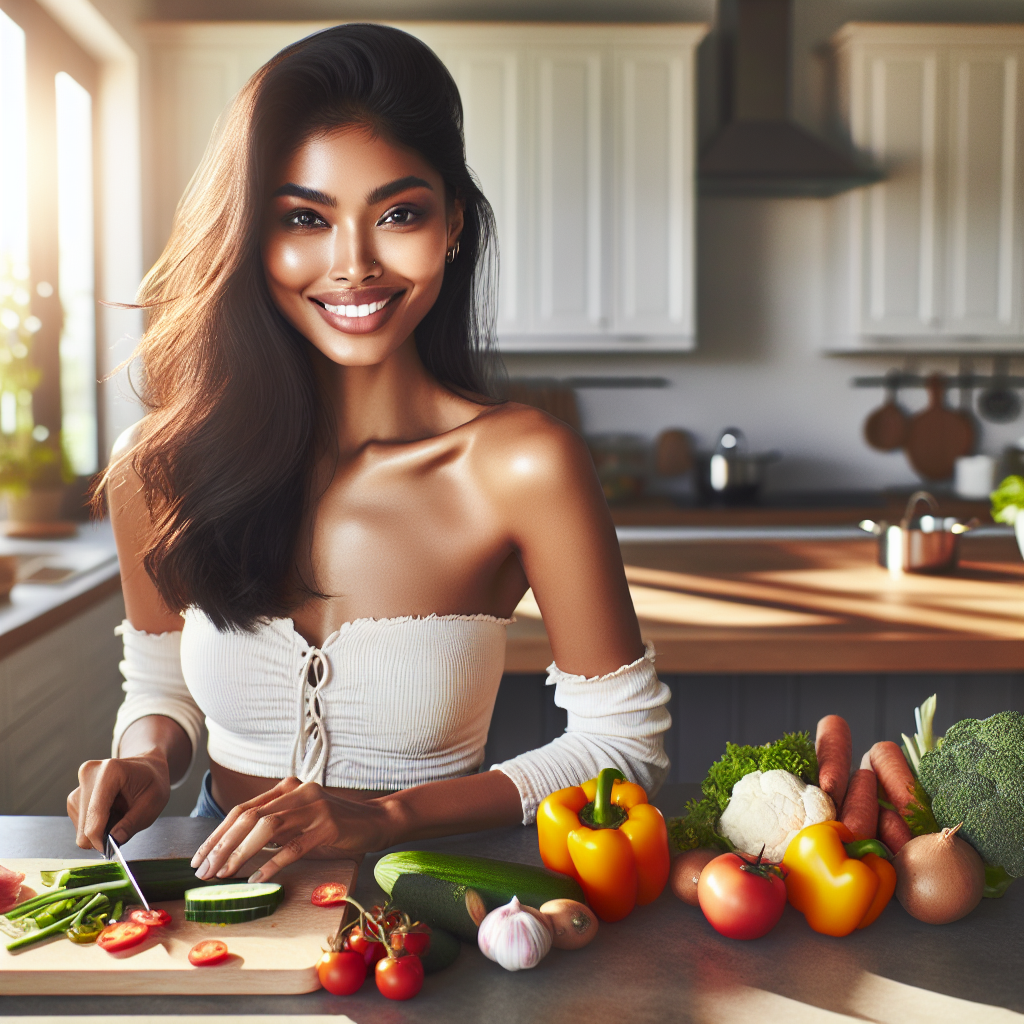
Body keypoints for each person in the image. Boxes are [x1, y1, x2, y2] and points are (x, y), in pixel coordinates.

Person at [68, 23, 671, 884]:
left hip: (439, 886)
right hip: (220, 881)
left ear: (453, 224)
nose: (352, 265)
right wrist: (149, 761)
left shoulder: (521, 465)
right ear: (251, 236)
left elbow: (624, 746)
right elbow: (161, 684)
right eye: (305, 219)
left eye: (398, 214)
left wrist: (388, 815)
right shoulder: (157, 468)